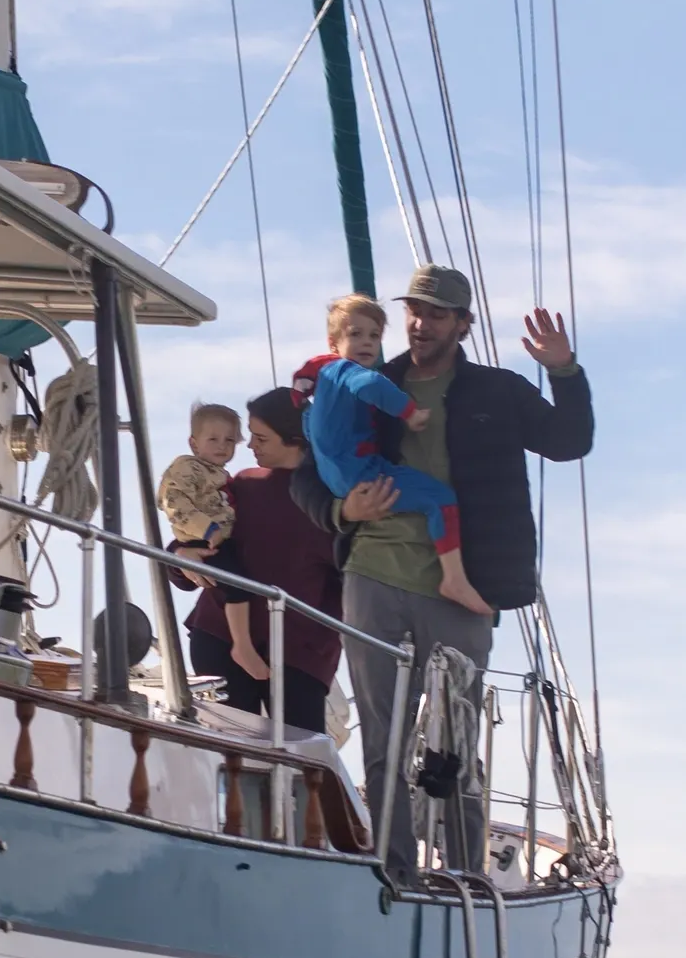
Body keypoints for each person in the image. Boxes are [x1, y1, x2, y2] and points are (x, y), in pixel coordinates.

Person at [291, 263, 593, 875]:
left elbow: (569, 440)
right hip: (373, 573)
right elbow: (304, 470)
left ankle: (465, 877)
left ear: (462, 323)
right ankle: (392, 872)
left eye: (434, 314)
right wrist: (341, 509)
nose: (419, 324)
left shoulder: (498, 391)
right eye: (413, 311)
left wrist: (563, 370)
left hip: (463, 587)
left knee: (456, 739)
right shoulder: (370, 380)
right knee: (383, 739)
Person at [295, 292, 491, 618]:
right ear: (334, 343)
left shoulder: (320, 385)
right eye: (355, 334)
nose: (366, 342)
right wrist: (409, 411)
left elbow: (310, 428)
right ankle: (454, 579)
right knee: (441, 500)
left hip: (342, 476)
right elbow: (371, 384)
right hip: (363, 476)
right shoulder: (344, 371)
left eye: (374, 335)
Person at [180, 388, 342, 735]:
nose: (249, 446)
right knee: (228, 761)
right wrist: (180, 556)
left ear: (294, 439)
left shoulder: (332, 501)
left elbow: (349, 584)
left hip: (299, 656)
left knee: (302, 766)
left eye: (261, 438)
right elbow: (198, 529)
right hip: (219, 638)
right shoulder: (243, 484)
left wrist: (315, 649)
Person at [158, 403, 242, 555]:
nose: (222, 446)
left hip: (225, 540)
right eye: (213, 439)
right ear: (194, 445)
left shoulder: (222, 476)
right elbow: (175, 502)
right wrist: (207, 529)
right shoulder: (188, 468)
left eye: (229, 440)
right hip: (201, 541)